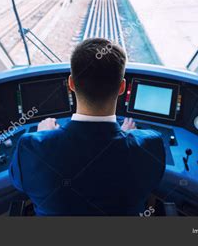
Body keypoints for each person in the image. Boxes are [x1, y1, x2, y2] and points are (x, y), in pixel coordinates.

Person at [10, 38, 165, 215]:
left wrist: (43, 137)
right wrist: (127, 138)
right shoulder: (150, 146)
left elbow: (19, 183)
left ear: (71, 84)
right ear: (122, 87)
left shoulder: (31, 148)